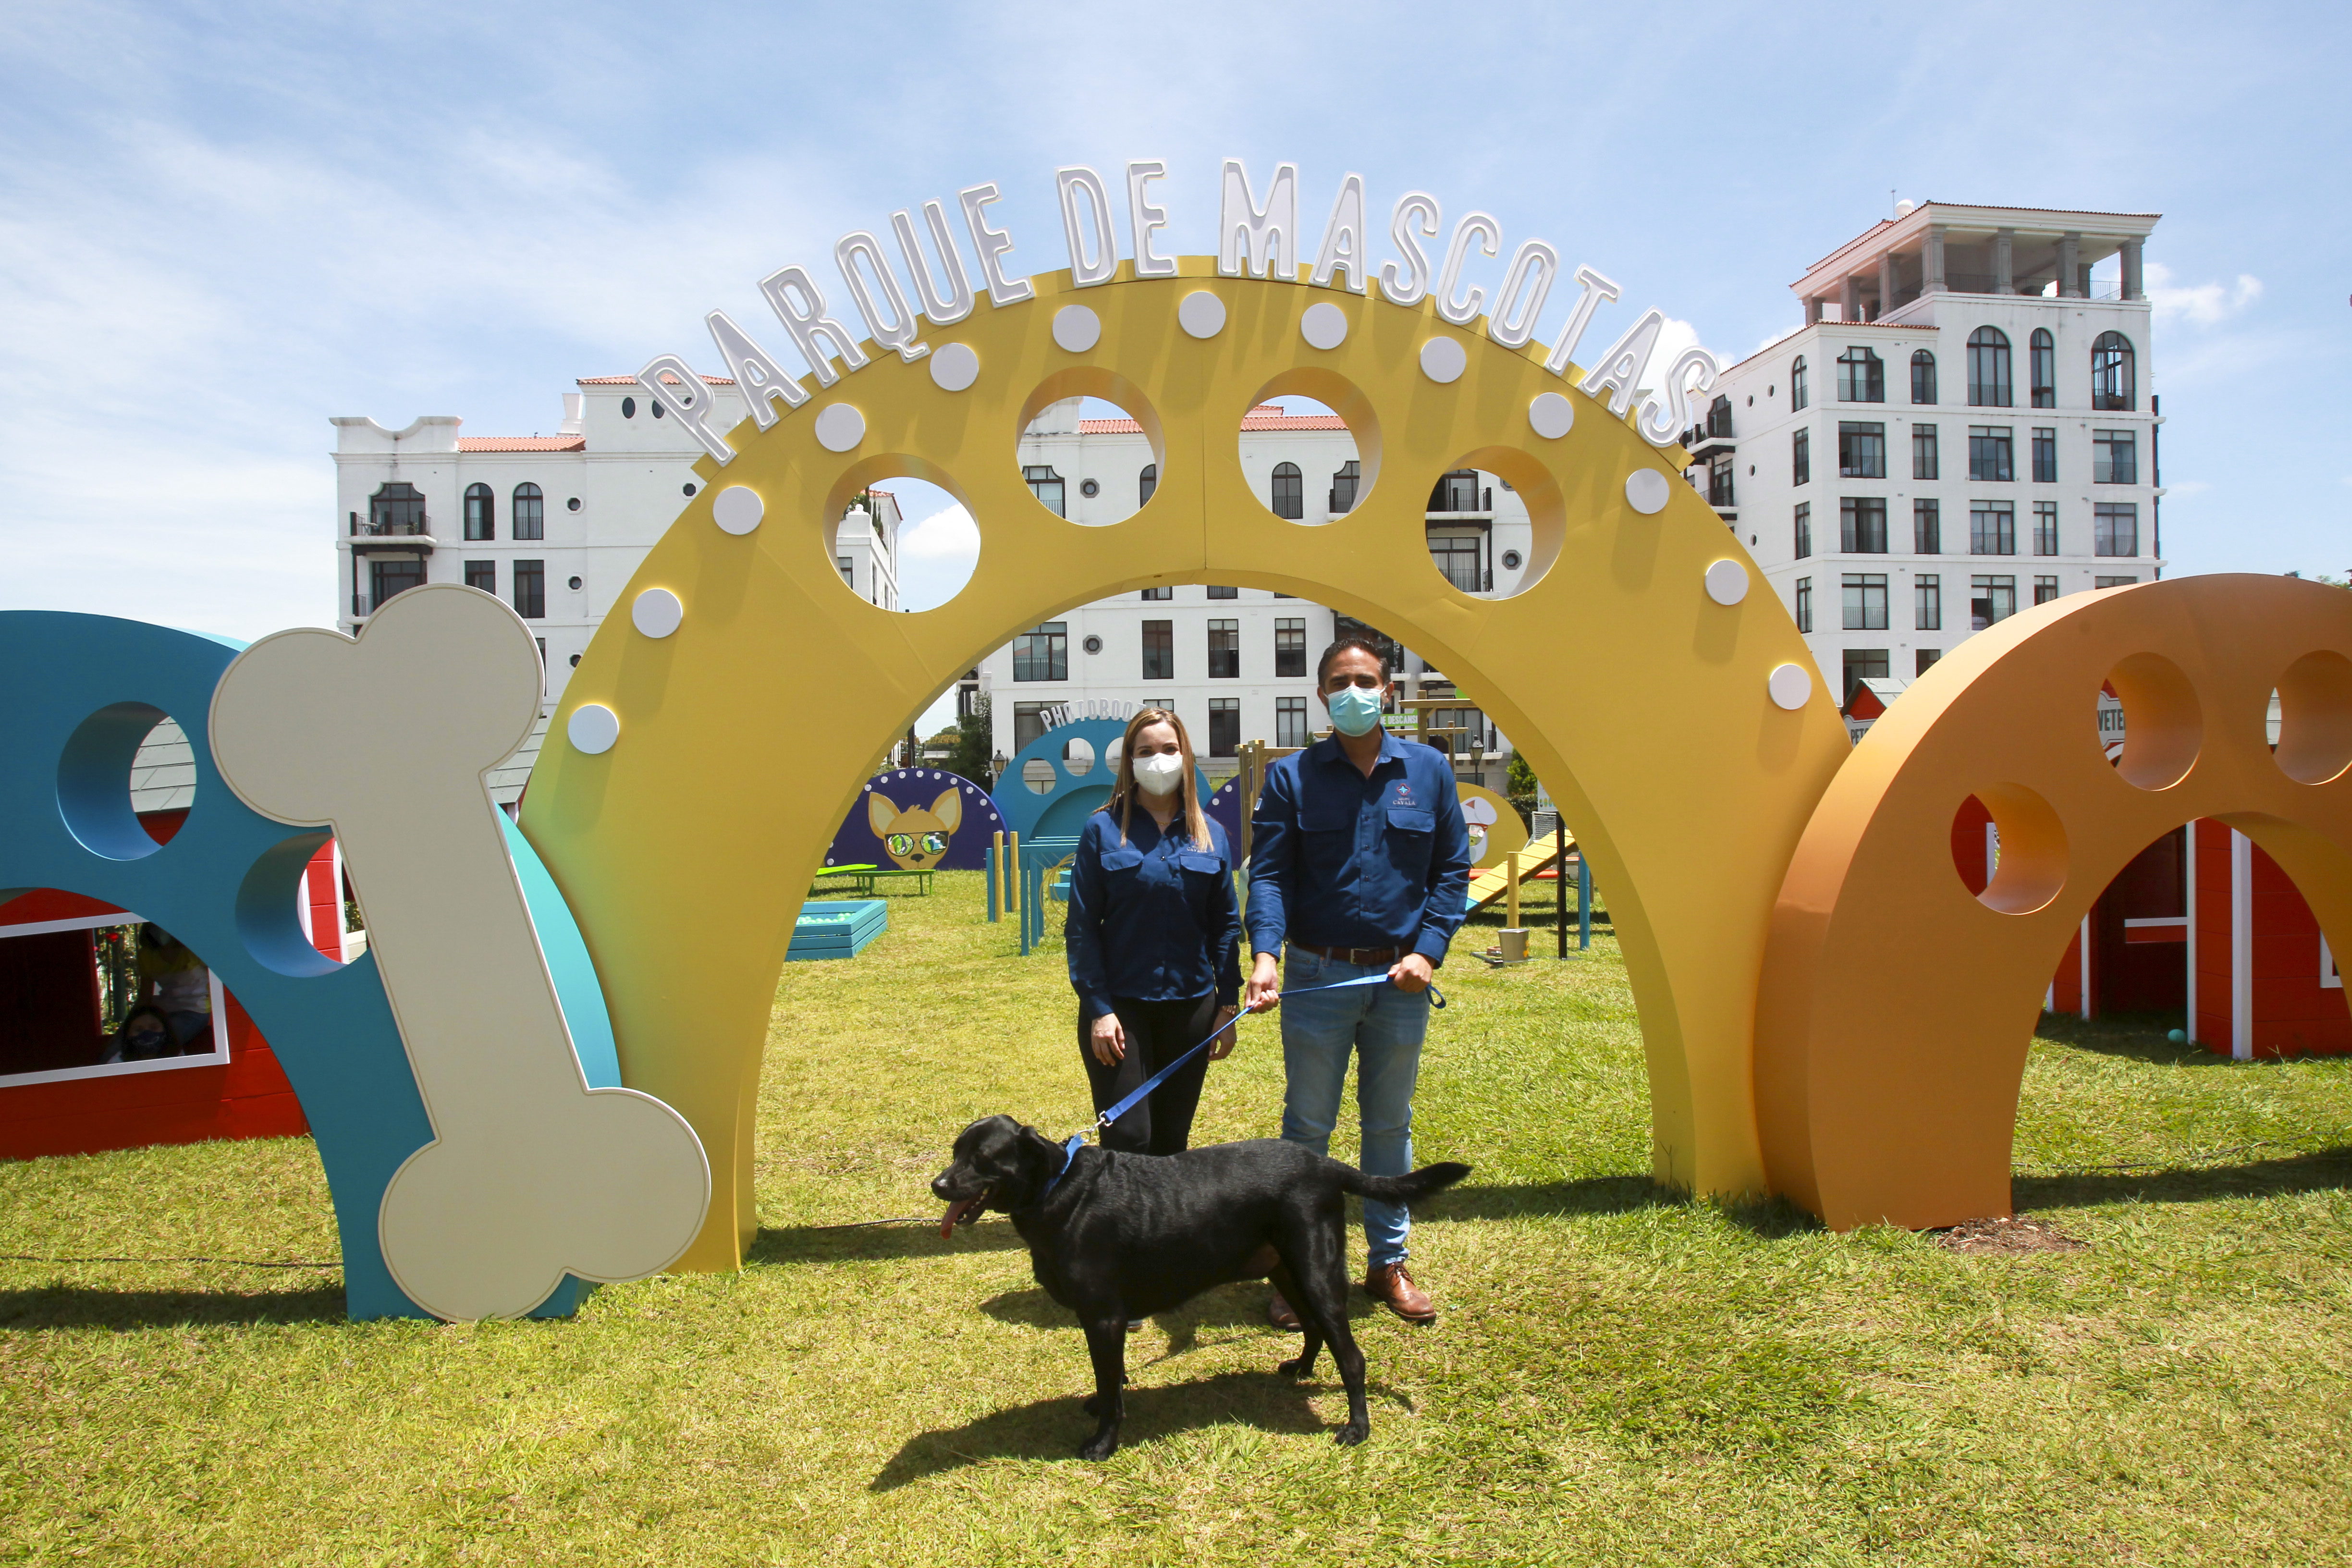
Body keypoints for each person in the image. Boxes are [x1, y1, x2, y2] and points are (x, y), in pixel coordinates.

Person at [1244, 634, 1471, 1327]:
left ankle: (1387, 1264)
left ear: (1389, 692)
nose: (1353, 692)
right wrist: (1266, 956)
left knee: (1389, 1126)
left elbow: (1452, 872)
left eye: (1365, 680)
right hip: (1315, 976)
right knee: (1306, 1129)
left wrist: (1429, 952)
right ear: (1321, 696)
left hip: (1401, 982)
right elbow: (1271, 875)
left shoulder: (1429, 771)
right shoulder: (1292, 778)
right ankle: (1297, 1270)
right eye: (1340, 682)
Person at [1065, 707, 1242, 1163]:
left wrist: (1226, 1006)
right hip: (1120, 1008)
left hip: (1190, 1007)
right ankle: (1122, 1234)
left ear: (1186, 757)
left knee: (1171, 1143)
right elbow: (1082, 928)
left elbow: (1225, 926)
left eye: (1169, 749)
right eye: (1146, 751)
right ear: (1129, 760)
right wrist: (1099, 1011)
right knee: (1128, 1140)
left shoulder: (1213, 835)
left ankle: (1164, 1234)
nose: (1158, 760)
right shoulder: (1101, 830)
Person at [136, 925, 212, 1054]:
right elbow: (145, 996)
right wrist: (131, 1023)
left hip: (196, 1010)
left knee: (163, 1043)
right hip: (164, 1011)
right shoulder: (146, 955)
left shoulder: (193, 949)